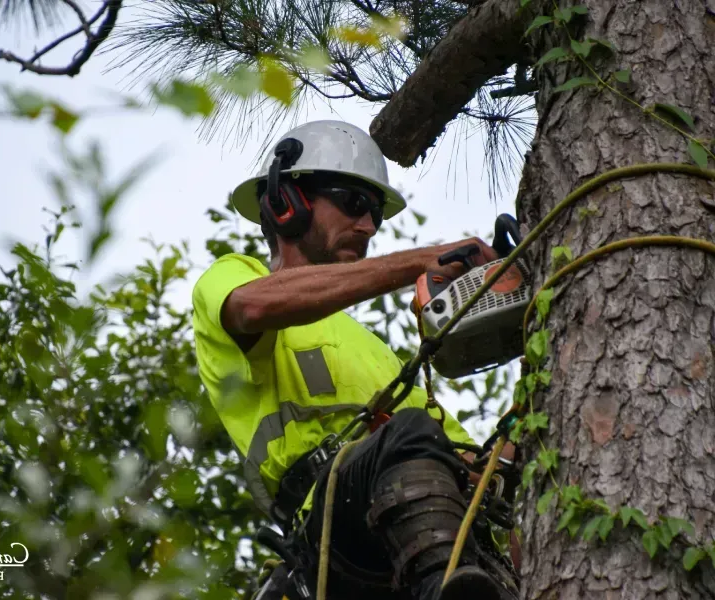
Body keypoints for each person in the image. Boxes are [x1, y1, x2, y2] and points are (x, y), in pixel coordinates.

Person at [192, 120, 516, 600]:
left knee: (427, 436)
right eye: (352, 202)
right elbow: (254, 306)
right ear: (287, 203)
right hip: (331, 528)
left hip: (405, 533)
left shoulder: (374, 351)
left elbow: (474, 464)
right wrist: (417, 262)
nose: (366, 225)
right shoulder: (233, 280)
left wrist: (535, 412)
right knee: (405, 431)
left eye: (374, 214)